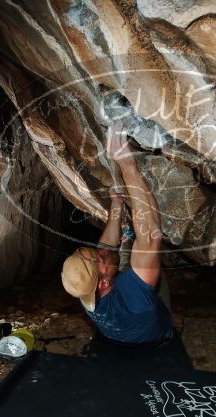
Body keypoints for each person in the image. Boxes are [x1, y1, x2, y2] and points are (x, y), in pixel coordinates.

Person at [61, 122, 185, 364]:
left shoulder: (83, 289)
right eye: (99, 259)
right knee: (155, 271)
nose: (101, 251)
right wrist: (127, 164)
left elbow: (106, 249)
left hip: (119, 334)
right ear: (105, 281)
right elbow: (151, 236)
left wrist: (117, 206)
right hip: (154, 340)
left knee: (131, 259)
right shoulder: (134, 296)